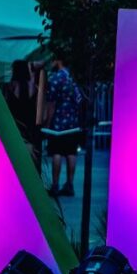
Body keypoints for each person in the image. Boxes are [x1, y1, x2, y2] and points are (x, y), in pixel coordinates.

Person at [41, 58, 84, 197]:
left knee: (57, 153)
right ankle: (70, 184)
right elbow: (79, 100)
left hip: (58, 124)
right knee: (71, 153)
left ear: (58, 61)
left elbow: (51, 104)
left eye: (53, 60)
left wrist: (47, 124)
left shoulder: (55, 79)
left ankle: (55, 185)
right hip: (73, 123)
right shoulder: (72, 78)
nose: (51, 62)